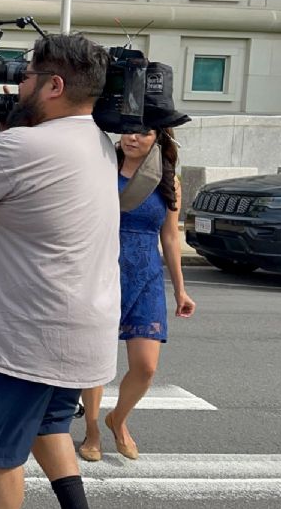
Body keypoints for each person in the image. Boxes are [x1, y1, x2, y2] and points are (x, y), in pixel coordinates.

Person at [0, 34, 119, 509]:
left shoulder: (22, 148)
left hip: (24, 338)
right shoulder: (99, 141)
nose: (16, 85)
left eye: (26, 75)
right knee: (48, 425)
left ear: (54, 85)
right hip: (78, 332)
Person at [78, 126, 196, 462]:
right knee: (96, 361)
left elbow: (171, 238)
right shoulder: (102, 169)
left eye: (142, 133)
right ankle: (92, 428)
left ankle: (119, 419)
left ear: (157, 139)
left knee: (145, 367)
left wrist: (181, 290)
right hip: (101, 271)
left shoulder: (167, 181)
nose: (132, 138)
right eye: (128, 132)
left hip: (146, 275)